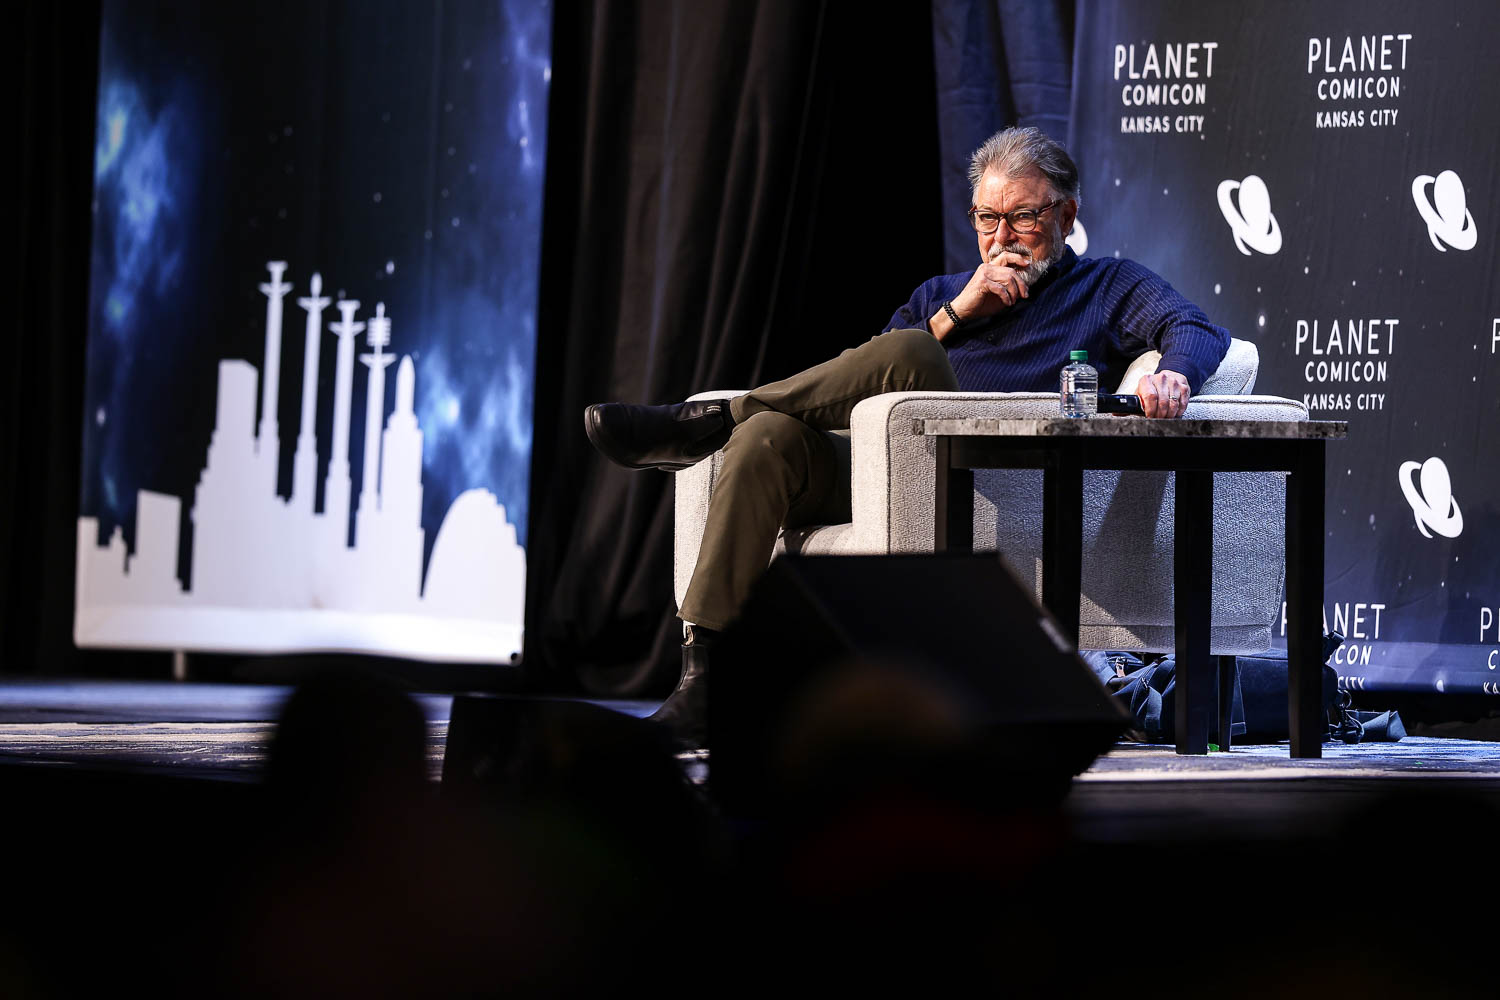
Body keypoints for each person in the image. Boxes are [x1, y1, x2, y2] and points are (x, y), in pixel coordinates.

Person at [584, 126, 1230, 748]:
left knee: (910, 356)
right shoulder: (942, 294)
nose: (1002, 238)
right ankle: (706, 688)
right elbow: (853, 390)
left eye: (1024, 218)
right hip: (881, 470)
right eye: (986, 219)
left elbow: (1195, 328)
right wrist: (959, 313)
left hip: (988, 483)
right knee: (770, 439)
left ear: (1065, 217)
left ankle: (714, 423)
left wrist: (1174, 372)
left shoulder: (1108, 287)